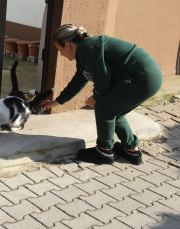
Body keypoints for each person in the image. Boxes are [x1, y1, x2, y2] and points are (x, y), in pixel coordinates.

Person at [40, 24, 162, 165]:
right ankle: (131, 150)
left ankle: (103, 151)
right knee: (114, 111)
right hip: (149, 77)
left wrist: (96, 98)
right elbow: (77, 82)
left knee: (104, 107)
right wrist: (55, 103)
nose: (61, 54)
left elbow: (103, 79)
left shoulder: (87, 49)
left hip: (141, 78)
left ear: (67, 45)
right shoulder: (85, 52)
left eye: (59, 50)